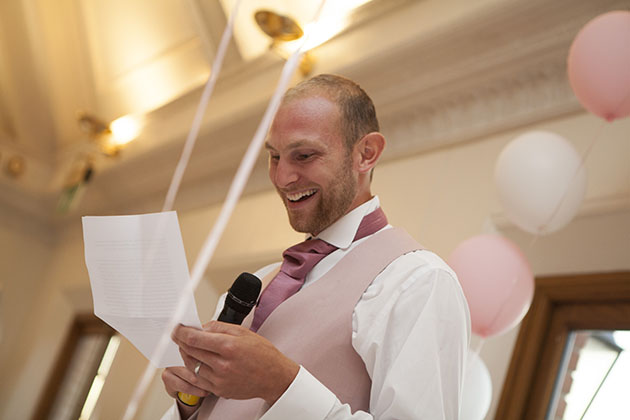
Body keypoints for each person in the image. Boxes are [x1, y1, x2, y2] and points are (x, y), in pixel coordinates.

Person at [160, 74, 470, 420]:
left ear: (366, 154)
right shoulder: (260, 281)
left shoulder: (418, 282)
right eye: (275, 157)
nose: (281, 178)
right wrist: (189, 406)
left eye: (304, 155)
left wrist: (282, 384)